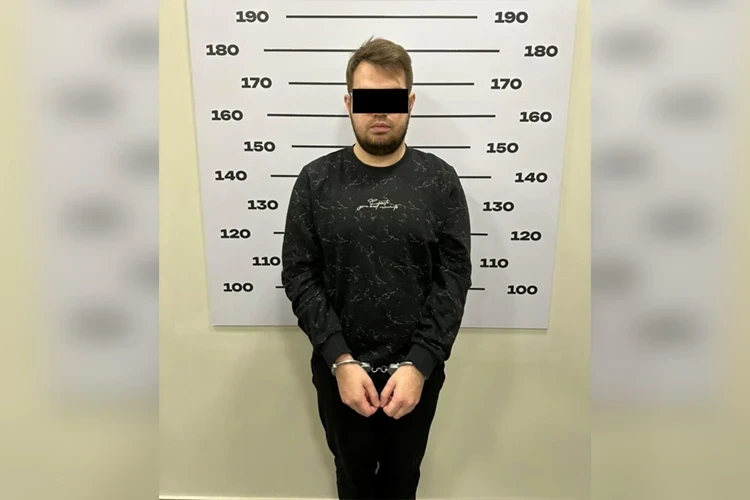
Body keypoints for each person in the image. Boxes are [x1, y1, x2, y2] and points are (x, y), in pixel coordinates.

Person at [281, 36, 473, 500]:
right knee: (352, 481)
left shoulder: (439, 180)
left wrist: (420, 364)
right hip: (341, 373)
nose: (380, 112)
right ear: (349, 103)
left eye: (391, 99)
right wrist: (340, 361)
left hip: (417, 373)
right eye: (367, 99)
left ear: (410, 103)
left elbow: (453, 278)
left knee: (402, 481)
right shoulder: (315, 180)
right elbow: (300, 274)